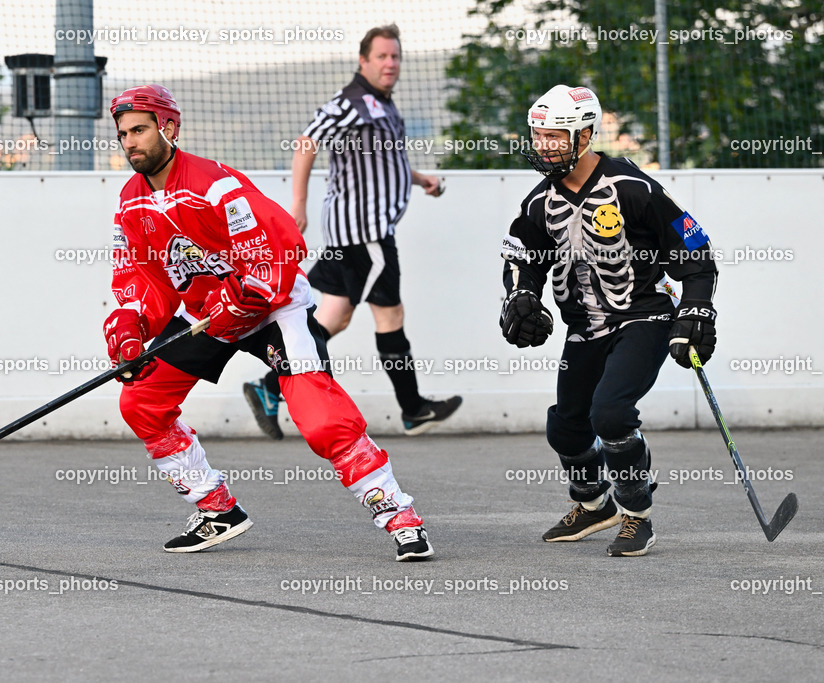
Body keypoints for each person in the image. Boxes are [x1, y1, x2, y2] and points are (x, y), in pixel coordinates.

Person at [103, 84, 434, 561]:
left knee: (322, 422)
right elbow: (139, 276)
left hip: (273, 309)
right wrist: (130, 327)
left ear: (169, 128)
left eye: (139, 130)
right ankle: (216, 508)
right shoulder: (130, 203)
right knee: (142, 401)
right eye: (123, 134)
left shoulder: (216, 186)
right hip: (207, 317)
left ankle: (400, 517)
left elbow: (278, 247)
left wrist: (249, 294)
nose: (130, 142)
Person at [499, 84, 718, 557]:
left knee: (612, 414)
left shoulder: (633, 186)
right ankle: (593, 504)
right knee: (566, 427)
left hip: (644, 318)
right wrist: (519, 296)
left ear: (585, 136)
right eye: (539, 136)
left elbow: (694, 247)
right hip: (584, 328)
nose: (545, 146)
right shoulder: (539, 201)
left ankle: (636, 513)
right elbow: (522, 256)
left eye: (557, 136)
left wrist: (698, 308)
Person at [243, 24, 462, 440]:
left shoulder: (382, 106)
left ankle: (269, 387)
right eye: (382, 56)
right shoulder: (353, 103)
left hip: (359, 234)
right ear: (364, 61)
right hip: (366, 233)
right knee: (390, 315)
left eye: (395, 56)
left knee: (335, 317)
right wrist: (298, 205)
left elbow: (386, 164)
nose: (390, 64)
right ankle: (413, 409)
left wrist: (420, 180)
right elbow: (307, 143)